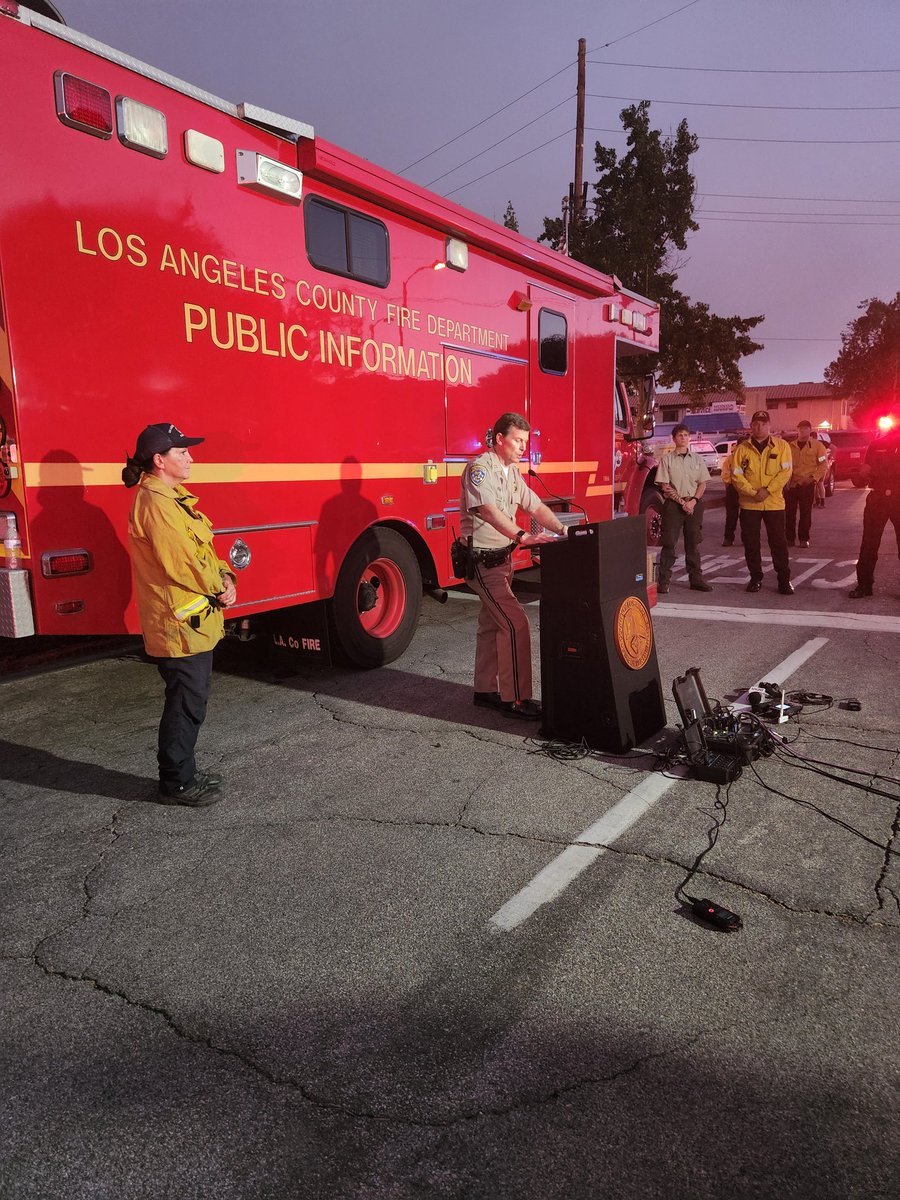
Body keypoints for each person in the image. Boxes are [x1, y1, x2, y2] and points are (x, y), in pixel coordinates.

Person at [122, 423, 237, 805]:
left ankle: (183, 771)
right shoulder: (156, 504)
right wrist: (220, 586)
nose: (191, 458)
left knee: (191, 700)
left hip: (190, 624)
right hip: (179, 628)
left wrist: (225, 573)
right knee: (186, 703)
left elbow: (202, 551)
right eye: (182, 452)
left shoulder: (170, 499)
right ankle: (177, 783)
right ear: (160, 460)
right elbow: (183, 563)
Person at [459, 412, 566, 719]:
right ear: (500, 439)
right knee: (516, 622)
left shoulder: (511, 472)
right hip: (482, 561)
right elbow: (489, 511)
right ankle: (515, 699)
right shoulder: (480, 469)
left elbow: (535, 505)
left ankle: (484, 690)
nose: (523, 447)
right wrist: (523, 536)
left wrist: (563, 530)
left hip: (501, 560)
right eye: (518, 441)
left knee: (492, 624)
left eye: (525, 441)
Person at [730, 410, 794, 595]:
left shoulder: (781, 446)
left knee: (778, 543)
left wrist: (768, 491)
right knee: (751, 543)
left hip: (774, 503)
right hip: (750, 504)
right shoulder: (742, 449)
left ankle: (784, 580)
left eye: (763, 424)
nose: (759, 427)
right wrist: (752, 493)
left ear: (769, 426)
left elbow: (785, 473)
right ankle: (755, 577)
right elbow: (736, 475)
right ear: (751, 426)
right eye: (756, 424)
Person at [654, 424, 713, 594]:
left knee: (693, 543)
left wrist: (693, 501)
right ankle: (664, 581)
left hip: (694, 504)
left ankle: (696, 579)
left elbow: (703, 483)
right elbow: (665, 486)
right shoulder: (667, 460)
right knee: (669, 543)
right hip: (674, 505)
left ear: (690, 438)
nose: (683, 438)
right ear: (674, 438)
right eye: (680, 435)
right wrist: (682, 503)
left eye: (686, 435)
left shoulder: (697, 459)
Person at [848, 424, 900, 598]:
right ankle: (864, 585)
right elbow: (866, 470)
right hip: (877, 497)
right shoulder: (877, 444)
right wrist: (861, 475)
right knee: (869, 544)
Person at [785, 420, 827, 547]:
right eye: (800, 428)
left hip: (807, 484)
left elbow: (822, 464)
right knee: (789, 513)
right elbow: (785, 464)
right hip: (791, 485)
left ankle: (803, 539)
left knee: (805, 513)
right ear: (797, 430)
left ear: (810, 430)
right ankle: (789, 538)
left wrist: (814, 478)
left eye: (805, 428)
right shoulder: (789, 446)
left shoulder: (818, 447)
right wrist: (785, 479)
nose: (802, 431)